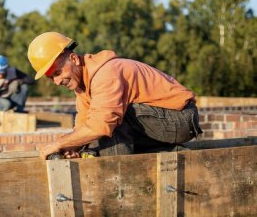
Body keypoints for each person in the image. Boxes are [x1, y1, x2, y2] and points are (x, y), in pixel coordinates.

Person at [27, 32, 203, 160]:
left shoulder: (105, 74)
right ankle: (170, 151)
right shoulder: (82, 87)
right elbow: (83, 128)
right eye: (51, 77)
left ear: (74, 59)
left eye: (58, 72)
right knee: (95, 137)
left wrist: (59, 143)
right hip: (159, 122)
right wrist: (71, 148)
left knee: (110, 121)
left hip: (181, 118)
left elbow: (100, 125)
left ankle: (120, 183)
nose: (57, 81)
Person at [0, 55, 36, 126]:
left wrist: (19, 81)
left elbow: (32, 81)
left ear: (6, 69)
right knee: (6, 104)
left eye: (2, 72)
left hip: (11, 97)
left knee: (24, 87)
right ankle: (5, 109)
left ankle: (19, 112)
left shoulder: (13, 72)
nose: (0, 75)